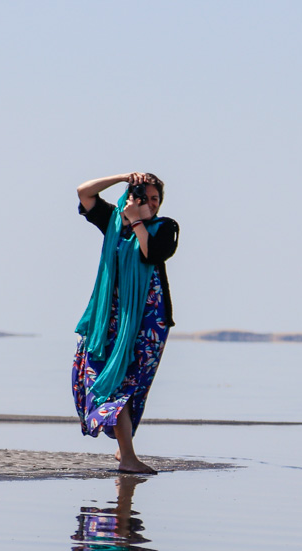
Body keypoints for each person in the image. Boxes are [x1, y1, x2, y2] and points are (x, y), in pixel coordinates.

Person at [73, 171, 180, 474]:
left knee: (132, 387)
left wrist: (137, 222)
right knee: (109, 383)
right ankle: (128, 456)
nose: (150, 203)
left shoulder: (165, 227)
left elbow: (151, 252)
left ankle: (126, 454)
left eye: (155, 198)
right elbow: (84, 192)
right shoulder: (111, 222)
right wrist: (122, 177)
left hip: (147, 325)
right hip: (107, 322)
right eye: (143, 197)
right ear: (130, 198)